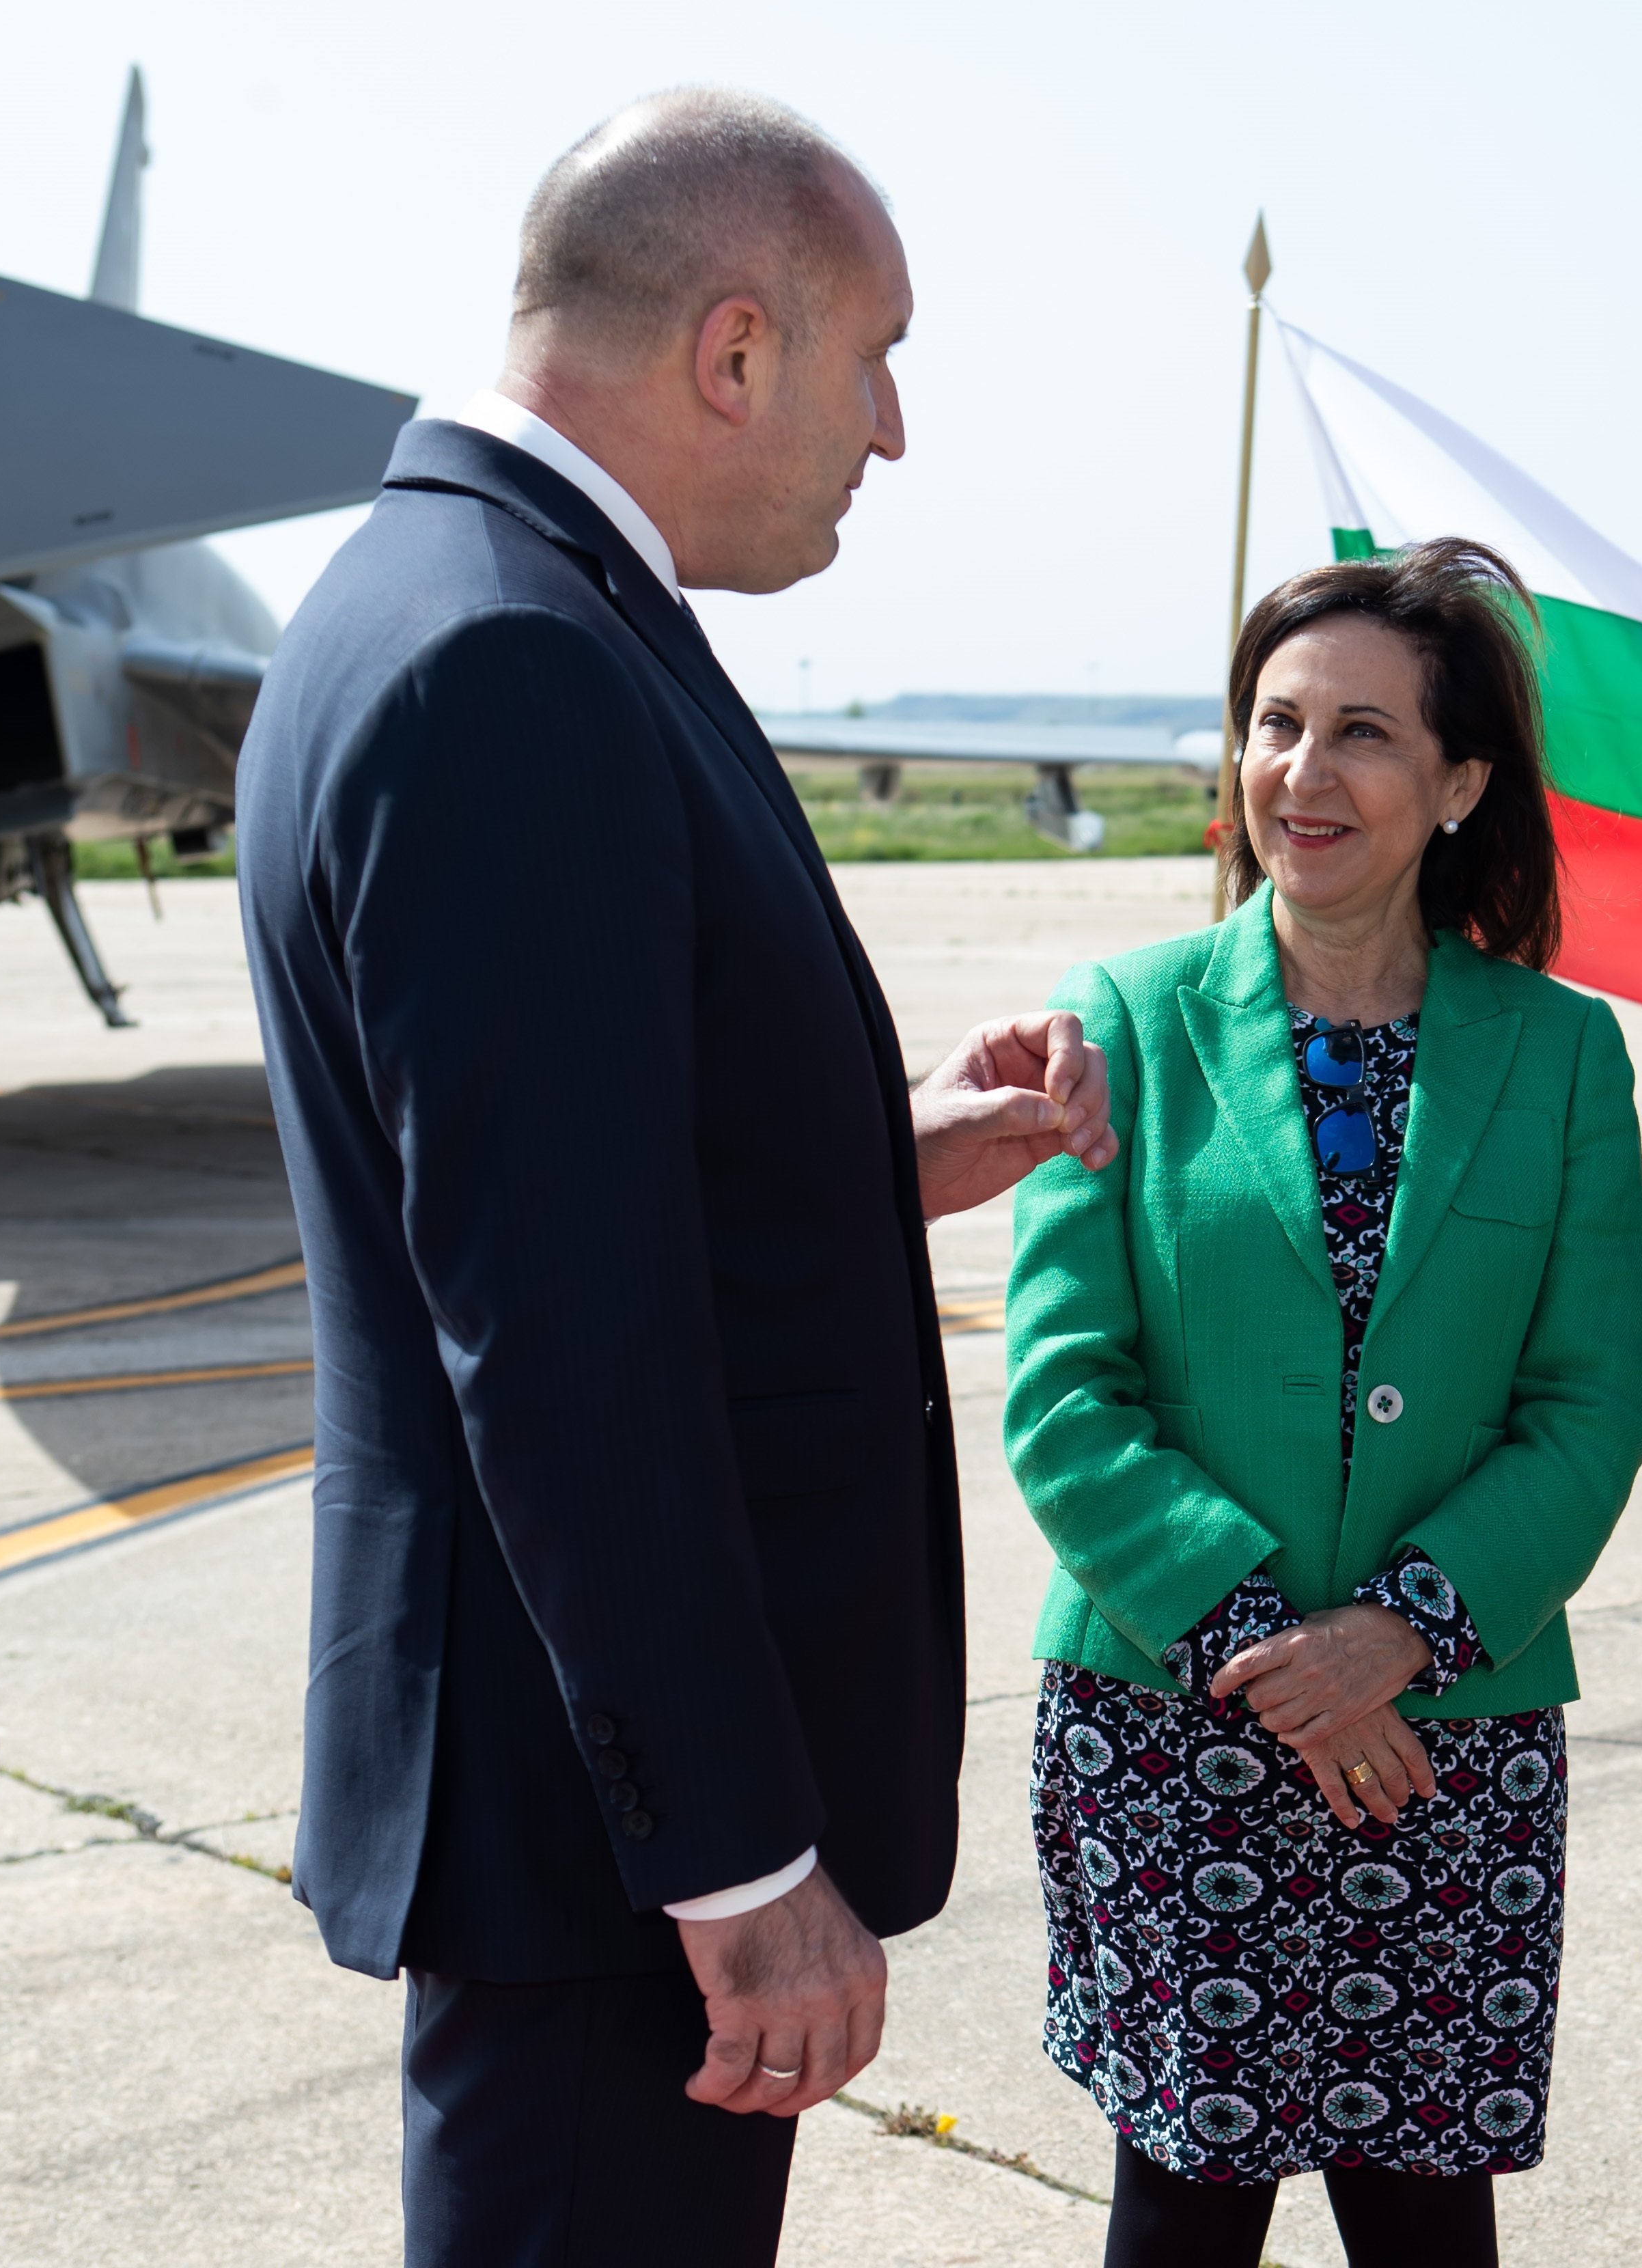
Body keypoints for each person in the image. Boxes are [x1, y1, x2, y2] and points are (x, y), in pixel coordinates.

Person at [236, 93, 1116, 2268]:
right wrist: (735, 1861)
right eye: (871, 356)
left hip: (570, 1810)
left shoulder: (467, 596)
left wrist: (868, 1160)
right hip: (609, 1843)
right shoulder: (515, 660)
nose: (891, 432)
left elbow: (579, 1194)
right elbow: (561, 1345)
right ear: (735, 351)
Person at [1002, 538, 1642, 2268]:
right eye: (1275, 724)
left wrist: (1402, 1633)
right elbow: (1066, 1393)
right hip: (1173, 1717)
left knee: (1425, 2212)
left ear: (1456, 784)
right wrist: (1274, 1646)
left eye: (1363, 733)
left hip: (1446, 1726)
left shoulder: (1563, 1052)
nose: (1306, 771)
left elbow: (1588, 1410)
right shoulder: (1125, 1022)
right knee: (1185, 2208)